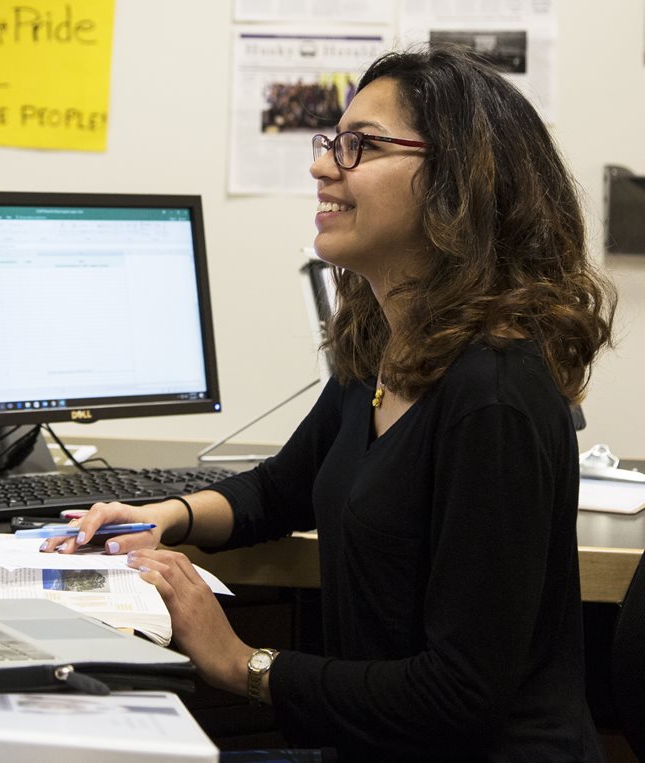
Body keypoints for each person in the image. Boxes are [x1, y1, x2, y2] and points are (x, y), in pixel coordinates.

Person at [51, 46, 616, 761]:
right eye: (331, 143)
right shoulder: (384, 344)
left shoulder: (494, 396)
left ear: (457, 182)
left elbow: (458, 693)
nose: (323, 165)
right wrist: (166, 515)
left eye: (361, 146)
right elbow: (285, 487)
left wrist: (239, 661)